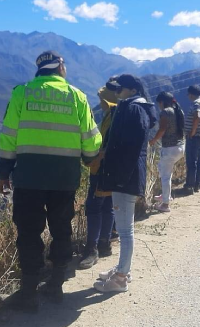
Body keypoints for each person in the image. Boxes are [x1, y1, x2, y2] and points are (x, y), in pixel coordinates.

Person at [0, 51, 101, 311]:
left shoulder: (22, 93)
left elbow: (9, 136)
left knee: (29, 231)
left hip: (29, 177)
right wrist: (90, 158)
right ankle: (55, 285)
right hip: (64, 177)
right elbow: (91, 139)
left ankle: (29, 292)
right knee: (61, 228)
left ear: (39, 69)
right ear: (61, 68)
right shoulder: (77, 96)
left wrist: (3, 173)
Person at [96, 74, 156, 293]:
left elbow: (131, 148)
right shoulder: (133, 106)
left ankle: (121, 277)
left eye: (119, 89)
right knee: (124, 227)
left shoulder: (134, 109)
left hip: (125, 177)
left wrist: (119, 177)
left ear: (131, 90)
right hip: (125, 176)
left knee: (125, 230)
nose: (117, 92)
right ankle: (122, 268)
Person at [78, 82, 119, 270]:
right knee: (108, 206)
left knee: (94, 207)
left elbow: (105, 147)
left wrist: (93, 157)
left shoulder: (111, 118)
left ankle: (91, 248)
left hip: (100, 169)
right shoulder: (117, 116)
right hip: (111, 170)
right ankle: (104, 242)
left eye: (102, 99)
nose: (100, 102)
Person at [149, 92, 185, 212]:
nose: (159, 105)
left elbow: (162, 129)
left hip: (170, 148)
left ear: (162, 102)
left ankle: (165, 204)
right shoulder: (177, 110)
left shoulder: (165, 112)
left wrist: (153, 140)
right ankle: (165, 195)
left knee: (165, 176)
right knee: (164, 170)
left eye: (159, 103)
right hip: (180, 146)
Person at [182, 85, 200, 194]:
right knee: (198, 162)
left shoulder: (196, 103)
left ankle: (189, 186)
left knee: (191, 162)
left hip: (194, 137)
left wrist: (192, 132)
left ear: (191, 94)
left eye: (188, 94)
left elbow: (197, 116)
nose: (188, 96)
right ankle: (197, 184)